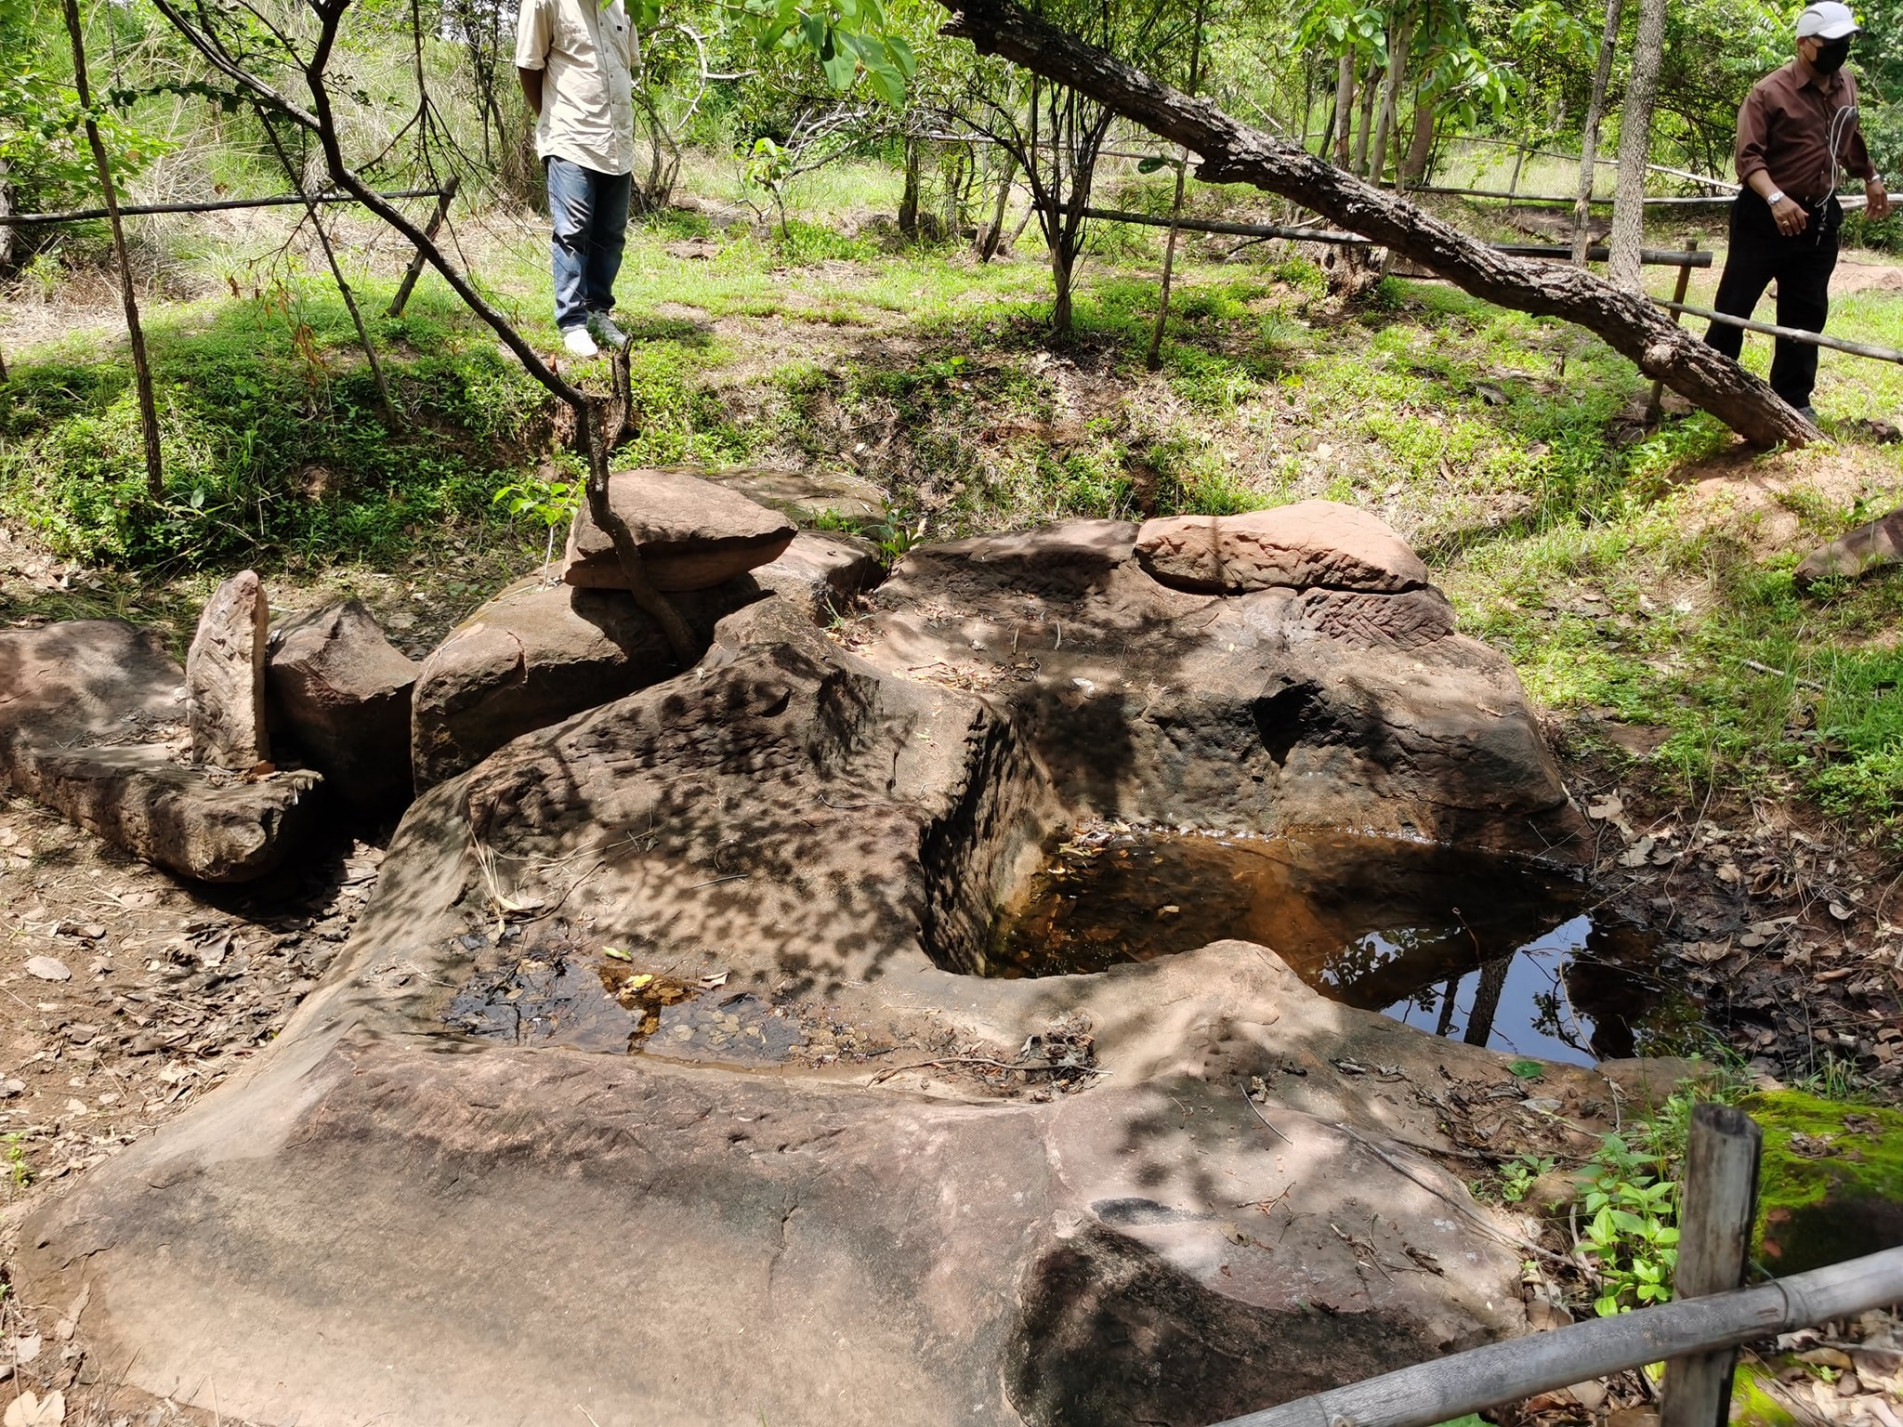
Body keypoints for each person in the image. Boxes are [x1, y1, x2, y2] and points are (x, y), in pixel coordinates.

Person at [1706, 0, 1890, 422]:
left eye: (1846, 41)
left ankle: (1793, 398)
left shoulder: (1845, 83)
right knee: (1734, 303)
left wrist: (1871, 175)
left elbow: (1848, 133)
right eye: (1832, 42)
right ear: (1805, 44)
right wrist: (1775, 198)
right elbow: (1748, 159)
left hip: (1820, 219)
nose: (1841, 49)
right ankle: (1709, 382)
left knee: (1806, 310)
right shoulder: (1769, 92)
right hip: (1764, 216)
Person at [515, 0, 637, 359]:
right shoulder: (544, 2)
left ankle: (598, 312)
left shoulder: (621, 5)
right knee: (573, 231)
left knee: (611, 234)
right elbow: (528, 65)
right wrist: (552, 120)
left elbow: (627, 67)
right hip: (570, 136)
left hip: (617, 140)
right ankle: (573, 322)